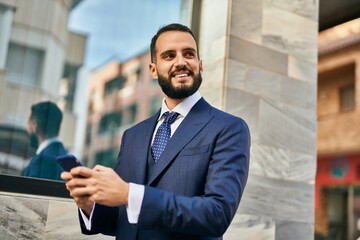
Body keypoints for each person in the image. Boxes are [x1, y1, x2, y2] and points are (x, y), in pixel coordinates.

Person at [62, 23, 251, 240]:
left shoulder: (229, 128)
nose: (181, 62)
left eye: (188, 54)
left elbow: (217, 214)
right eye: (169, 56)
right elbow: (123, 220)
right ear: (153, 70)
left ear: (200, 65)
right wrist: (89, 205)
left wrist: (128, 193)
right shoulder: (133, 136)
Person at [22, 101, 66, 181]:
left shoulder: (41, 161)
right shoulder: (65, 157)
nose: (28, 130)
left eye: (29, 125)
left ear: (35, 126)